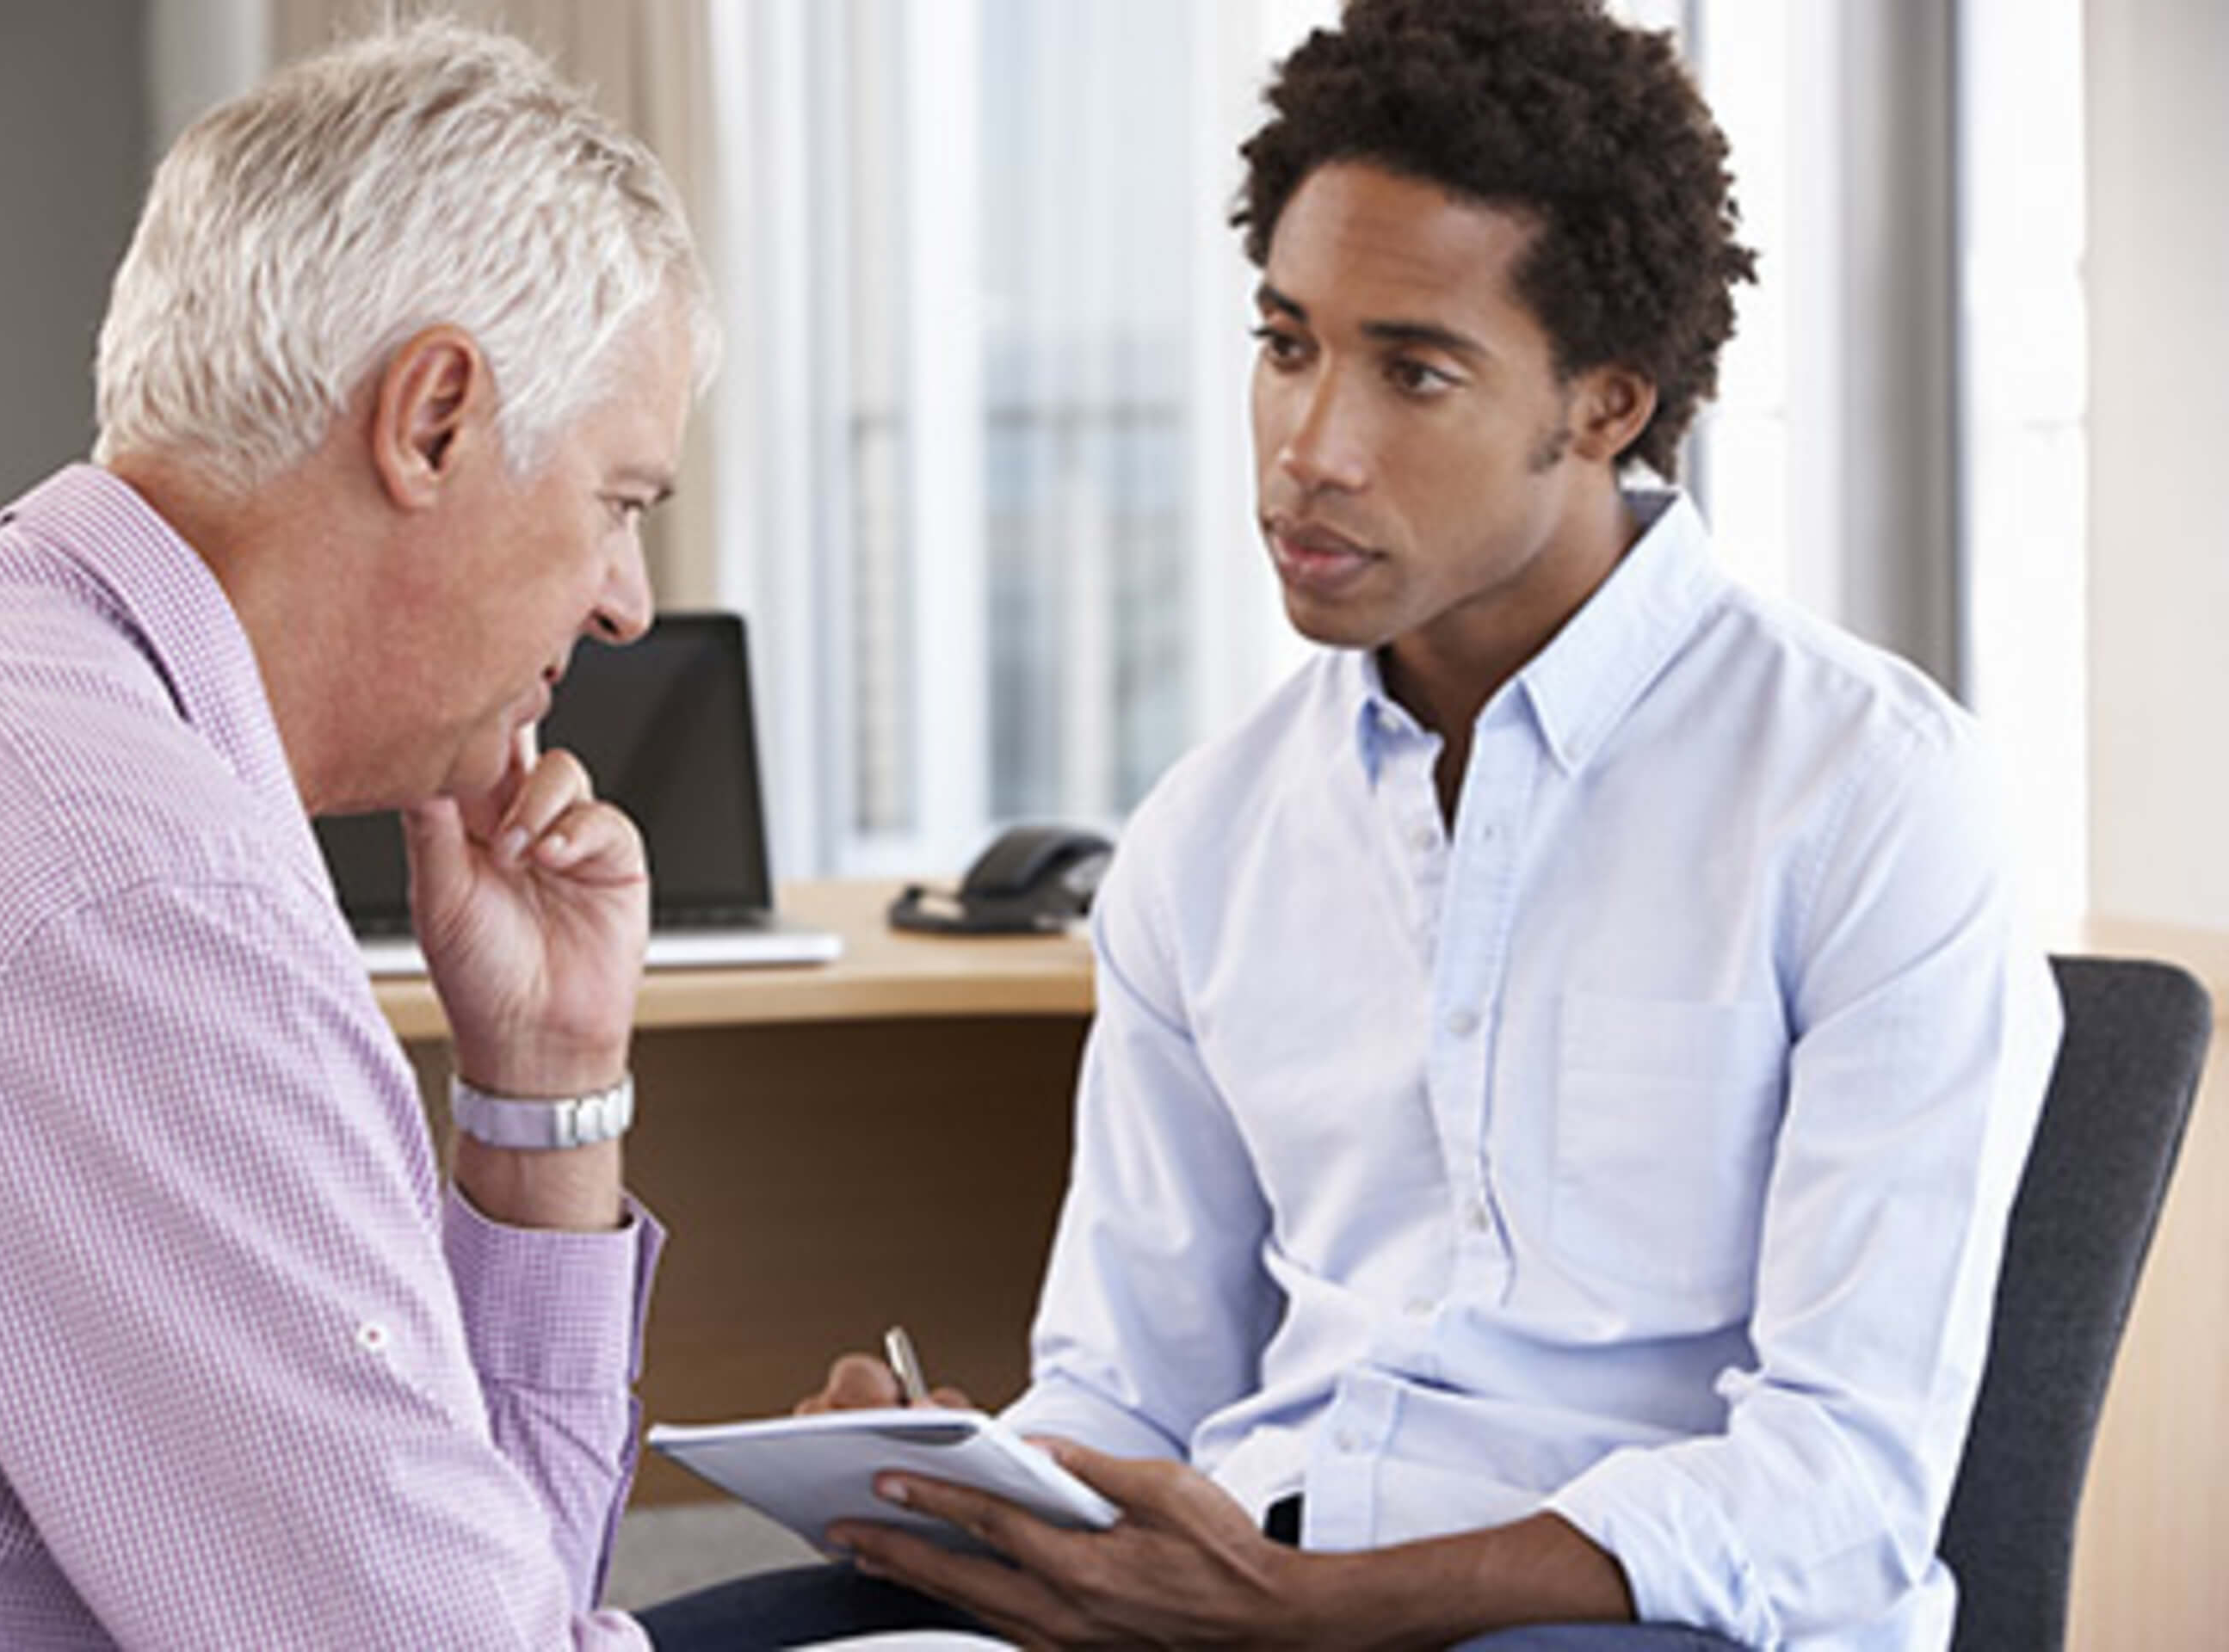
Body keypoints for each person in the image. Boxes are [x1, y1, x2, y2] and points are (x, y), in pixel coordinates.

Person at [639, 2, 2059, 1648]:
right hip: (1260, 1584)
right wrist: (977, 1479)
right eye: (1287, 345)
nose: (1310, 450)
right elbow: (1134, 1386)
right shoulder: (1211, 834)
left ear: (1606, 404)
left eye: (1414, 372)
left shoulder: (1868, 793)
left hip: (1641, 1622)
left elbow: (1844, 1483)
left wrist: (1313, 1613)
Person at [0, 20, 716, 1648]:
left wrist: (543, 1092)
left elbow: (492, 1592)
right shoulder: (135, 889)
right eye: (619, 503)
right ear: (432, 419)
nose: (625, 602)